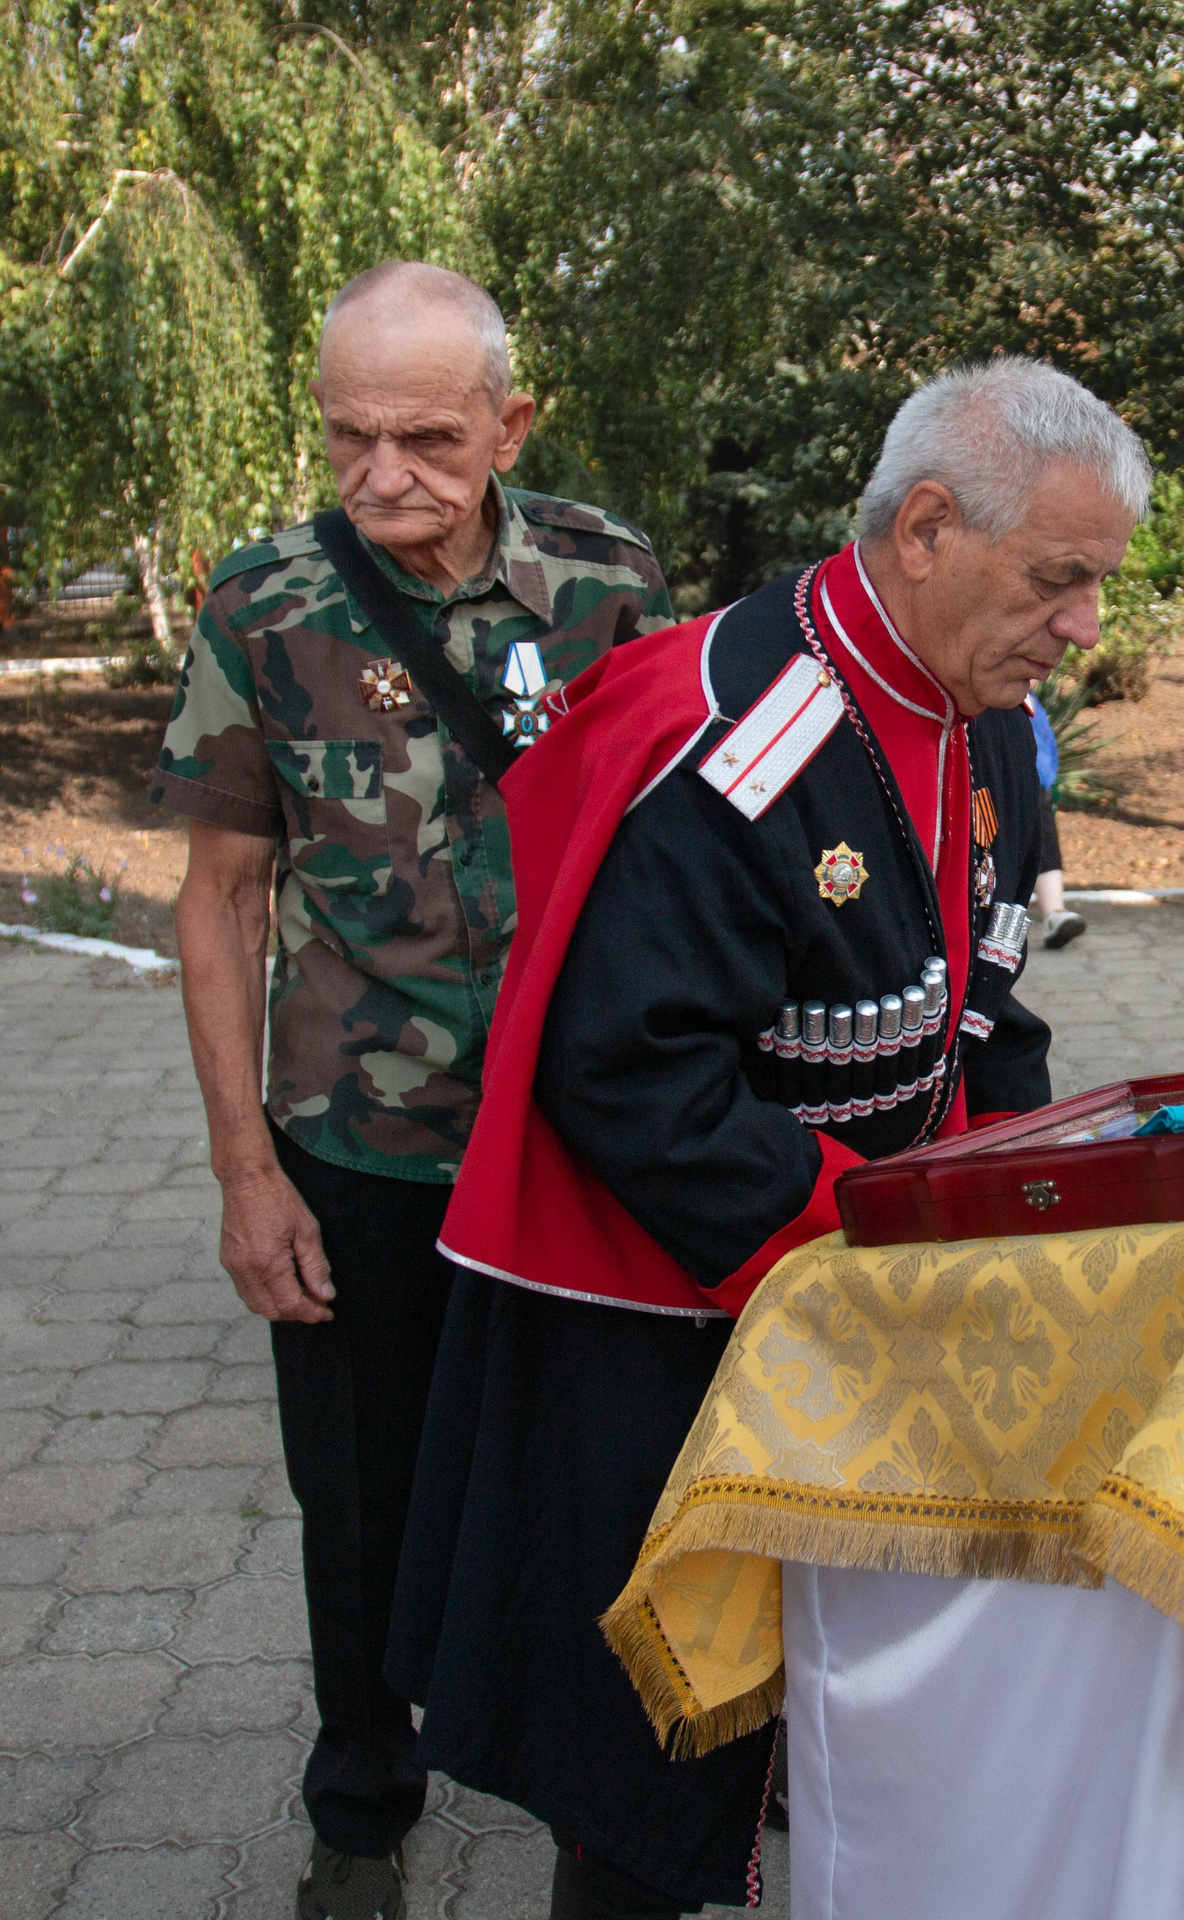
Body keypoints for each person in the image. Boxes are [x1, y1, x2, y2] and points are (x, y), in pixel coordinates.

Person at [393, 359, 1130, 1916]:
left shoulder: (983, 713)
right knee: (651, 1769)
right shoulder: (732, 742)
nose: (1081, 624)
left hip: (854, 1290)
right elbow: (638, 1086)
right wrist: (886, 1264)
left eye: (1092, 586)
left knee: (852, 1704)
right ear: (926, 527)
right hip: (671, 1310)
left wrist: (1038, 1210)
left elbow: (993, 1007)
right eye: (1056, 580)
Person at [148, 262, 670, 1920]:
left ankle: (618, 1788)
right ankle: (363, 1802)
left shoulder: (606, 583)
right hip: (357, 1151)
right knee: (359, 1504)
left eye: (430, 438)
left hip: (577, 1144)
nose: (384, 475)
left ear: (512, 424)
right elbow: (220, 896)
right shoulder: (265, 604)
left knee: (606, 1481)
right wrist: (247, 1174)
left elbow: (675, 854)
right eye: (350, 436)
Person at [1025, 691, 1086, 946]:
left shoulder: (1030, 698)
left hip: (1037, 782)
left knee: (1044, 842)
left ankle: (1054, 914)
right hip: (1012, 781)